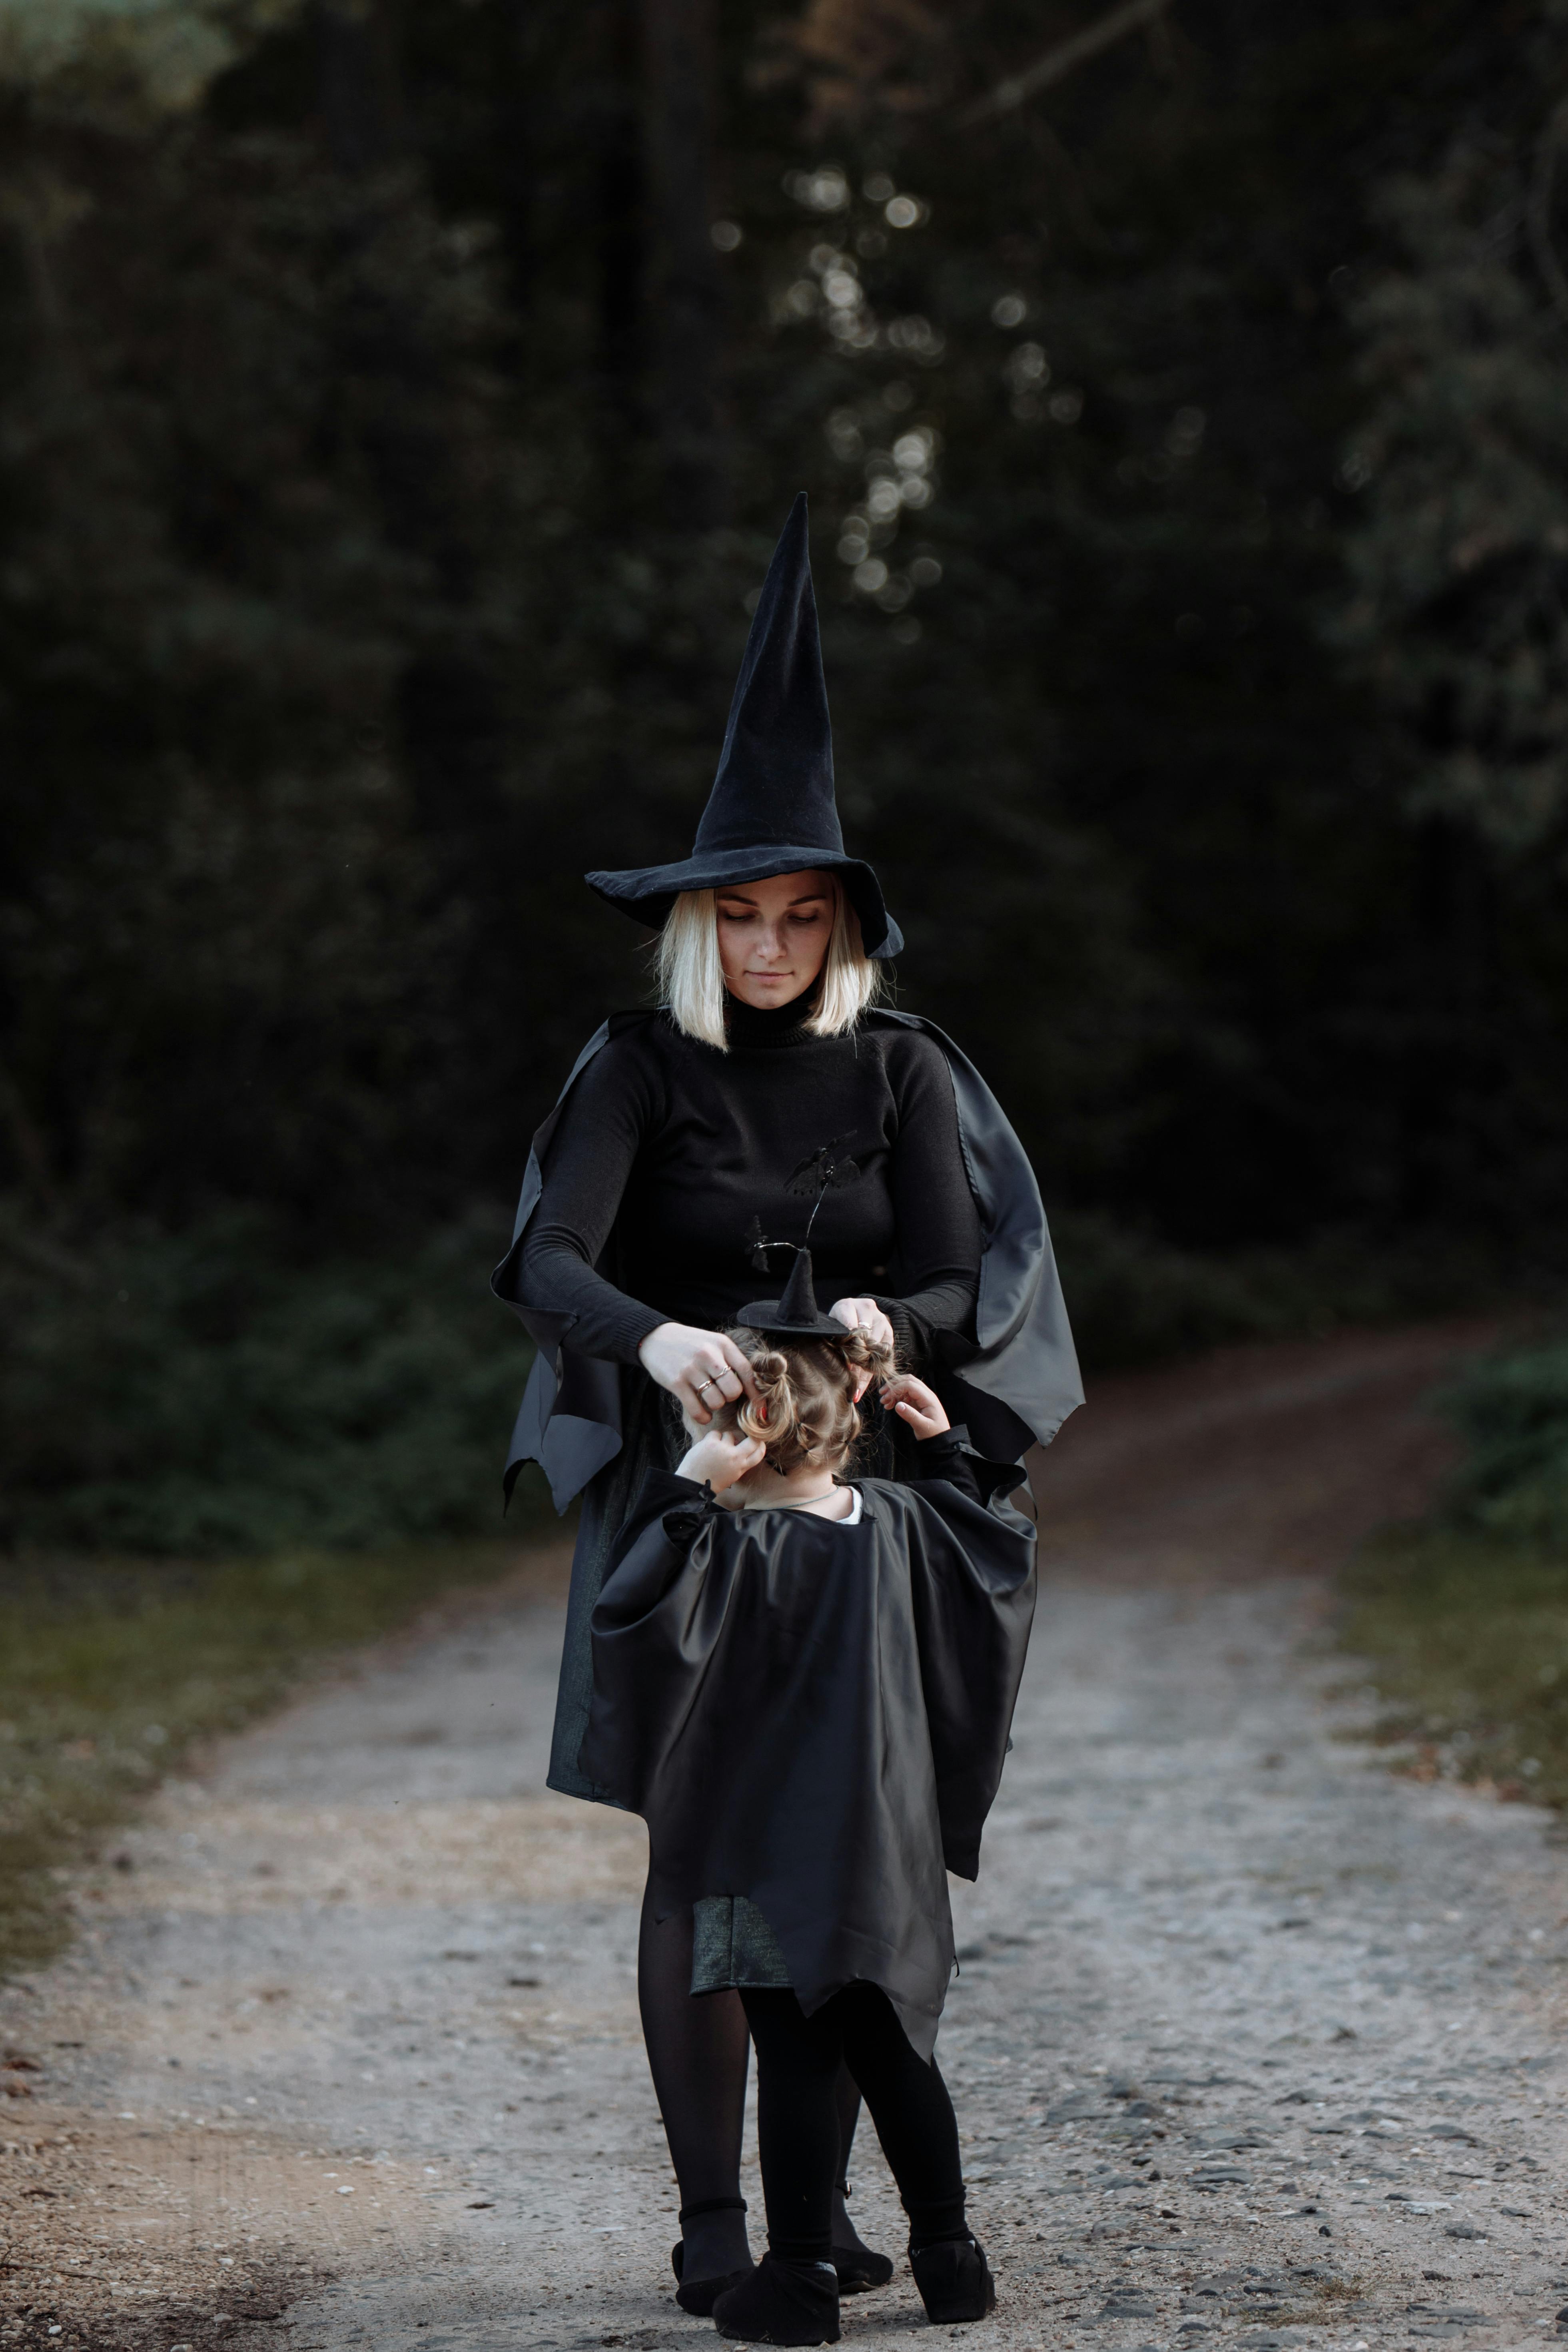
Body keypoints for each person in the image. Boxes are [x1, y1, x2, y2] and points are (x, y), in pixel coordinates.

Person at [493, 493, 1082, 2310]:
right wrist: (660, 1342)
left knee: (850, 1838)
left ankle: (835, 2217)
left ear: (842, 924)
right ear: (697, 924)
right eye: (736, 916)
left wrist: (881, 1336)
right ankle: (715, 2230)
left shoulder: (901, 1070)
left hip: (853, 1504)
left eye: (798, 916)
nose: (765, 946)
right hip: (691, 1490)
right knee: (708, 1844)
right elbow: (543, 1260)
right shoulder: (634, 1067)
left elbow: (955, 1274)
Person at [579, 1249, 1037, 2346]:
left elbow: (630, 1615)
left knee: (793, 2056)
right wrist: (941, 1441)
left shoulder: (728, 1549)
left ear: (737, 1431)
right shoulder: (901, 1522)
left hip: (766, 1856)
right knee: (894, 2051)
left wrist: (689, 1483)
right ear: (850, 1429)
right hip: (885, 1850)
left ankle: (795, 2277)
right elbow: (995, 1549)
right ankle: (950, 2256)